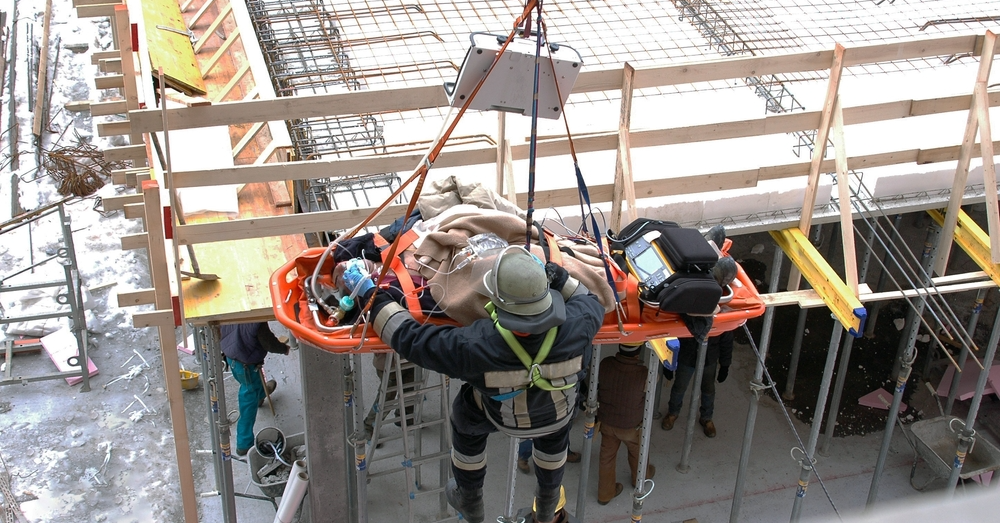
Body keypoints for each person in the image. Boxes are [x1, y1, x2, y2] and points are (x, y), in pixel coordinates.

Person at [346, 246, 603, 523]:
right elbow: (592, 301)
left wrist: (370, 295)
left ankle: (470, 498)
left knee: (466, 420)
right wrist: (561, 279)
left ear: (497, 301)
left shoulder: (476, 345)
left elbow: (411, 340)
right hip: (557, 415)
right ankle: (546, 505)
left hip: (499, 416)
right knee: (555, 436)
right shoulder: (580, 323)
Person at [596, 343, 656, 504]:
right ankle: (641, 479)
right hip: (631, 425)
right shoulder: (644, 374)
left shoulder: (605, 364)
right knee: (638, 452)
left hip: (607, 422)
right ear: (638, 353)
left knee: (606, 457)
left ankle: (605, 494)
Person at [220, 322, 290, 456]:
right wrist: (283, 348)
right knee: (248, 399)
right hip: (246, 363)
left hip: (232, 357)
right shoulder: (257, 322)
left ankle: (261, 394)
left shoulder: (231, 308)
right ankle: (244, 444)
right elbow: (269, 343)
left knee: (253, 382)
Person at [660, 330, 734, 438]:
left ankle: (706, 418)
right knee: (679, 387)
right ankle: (672, 413)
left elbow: (727, 340)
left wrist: (725, 365)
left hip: (709, 359)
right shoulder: (687, 313)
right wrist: (669, 360)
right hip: (686, 357)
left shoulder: (719, 317)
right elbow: (672, 334)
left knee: (708, 389)